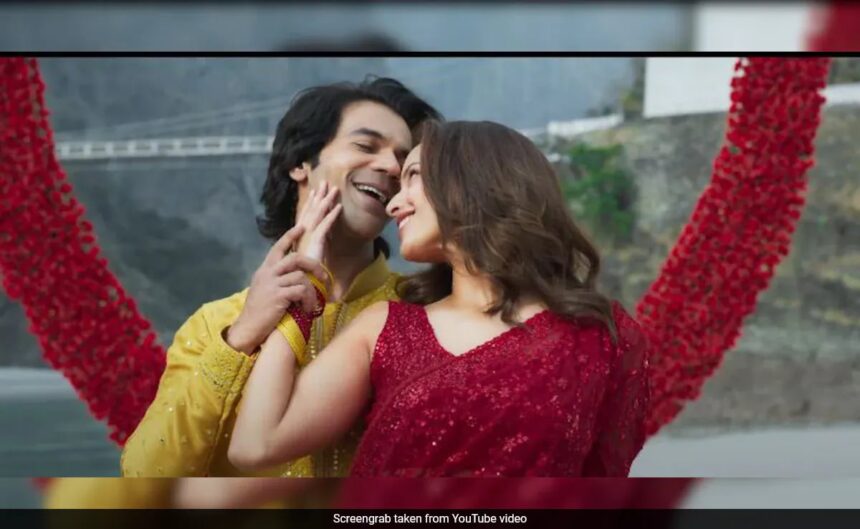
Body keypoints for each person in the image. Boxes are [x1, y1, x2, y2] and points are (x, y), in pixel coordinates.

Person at [228, 120, 649, 477]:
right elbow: (255, 445)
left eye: (412, 176)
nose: (393, 204)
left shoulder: (602, 337)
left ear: (473, 179)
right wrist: (301, 291)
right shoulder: (387, 329)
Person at [118, 76, 442, 479]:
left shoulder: (429, 309)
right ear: (299, 163)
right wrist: (240, 339)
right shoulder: (216, 325)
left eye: (404, 161)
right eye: (365, 146)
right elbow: (145, 475)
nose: (392, 167)